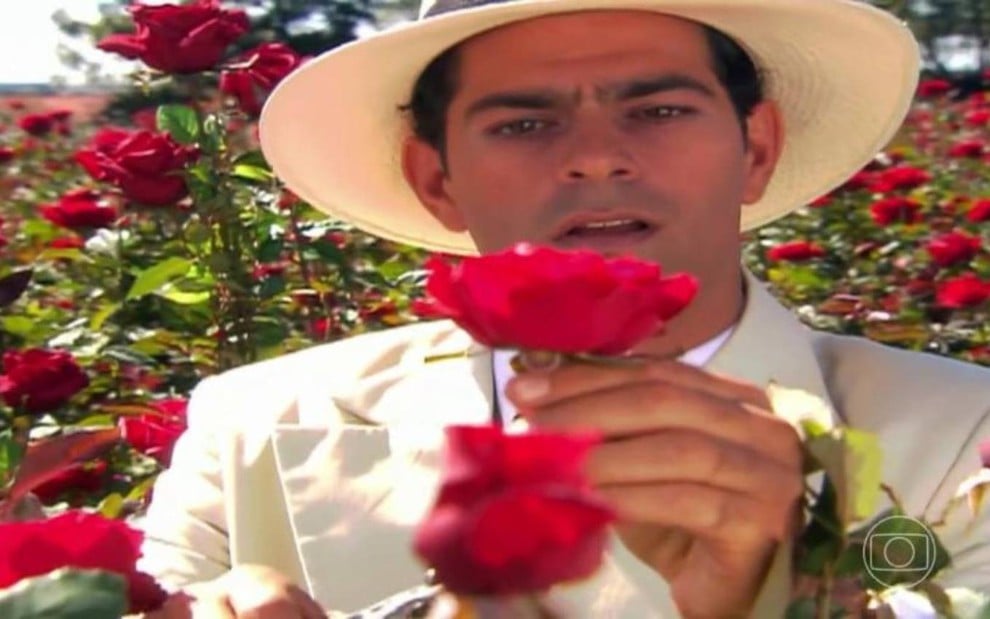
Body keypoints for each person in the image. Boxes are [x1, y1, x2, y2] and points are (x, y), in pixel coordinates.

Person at [138, 0, 990, 617]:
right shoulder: (255, 420)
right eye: (522, 124)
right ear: (436, 180)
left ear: (756, 147)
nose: (596, 157)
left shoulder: (955, 433)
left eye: (658, 110)